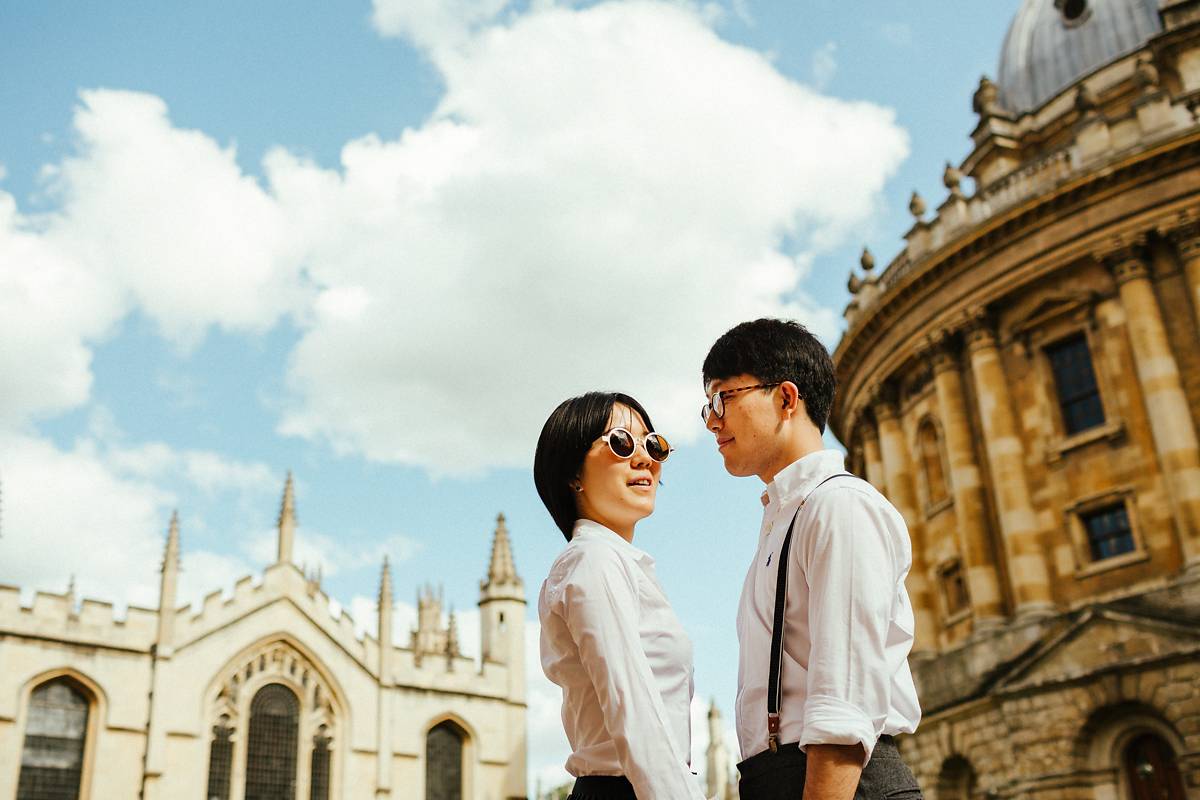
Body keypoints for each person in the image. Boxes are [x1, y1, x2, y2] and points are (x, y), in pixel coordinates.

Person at [701, 318, 923, 800]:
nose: (713, 420)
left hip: (840, 784)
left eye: (724, 398)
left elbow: (843, 702)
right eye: (708, 407)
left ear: (786, 398)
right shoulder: (784, 518)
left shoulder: (838, 505)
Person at [534, 391, 707, 800]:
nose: (645, 458)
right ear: (572, 472)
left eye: (653, 444)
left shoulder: (617, 563)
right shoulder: (594, 560)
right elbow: (635, 712)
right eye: (621, 442)